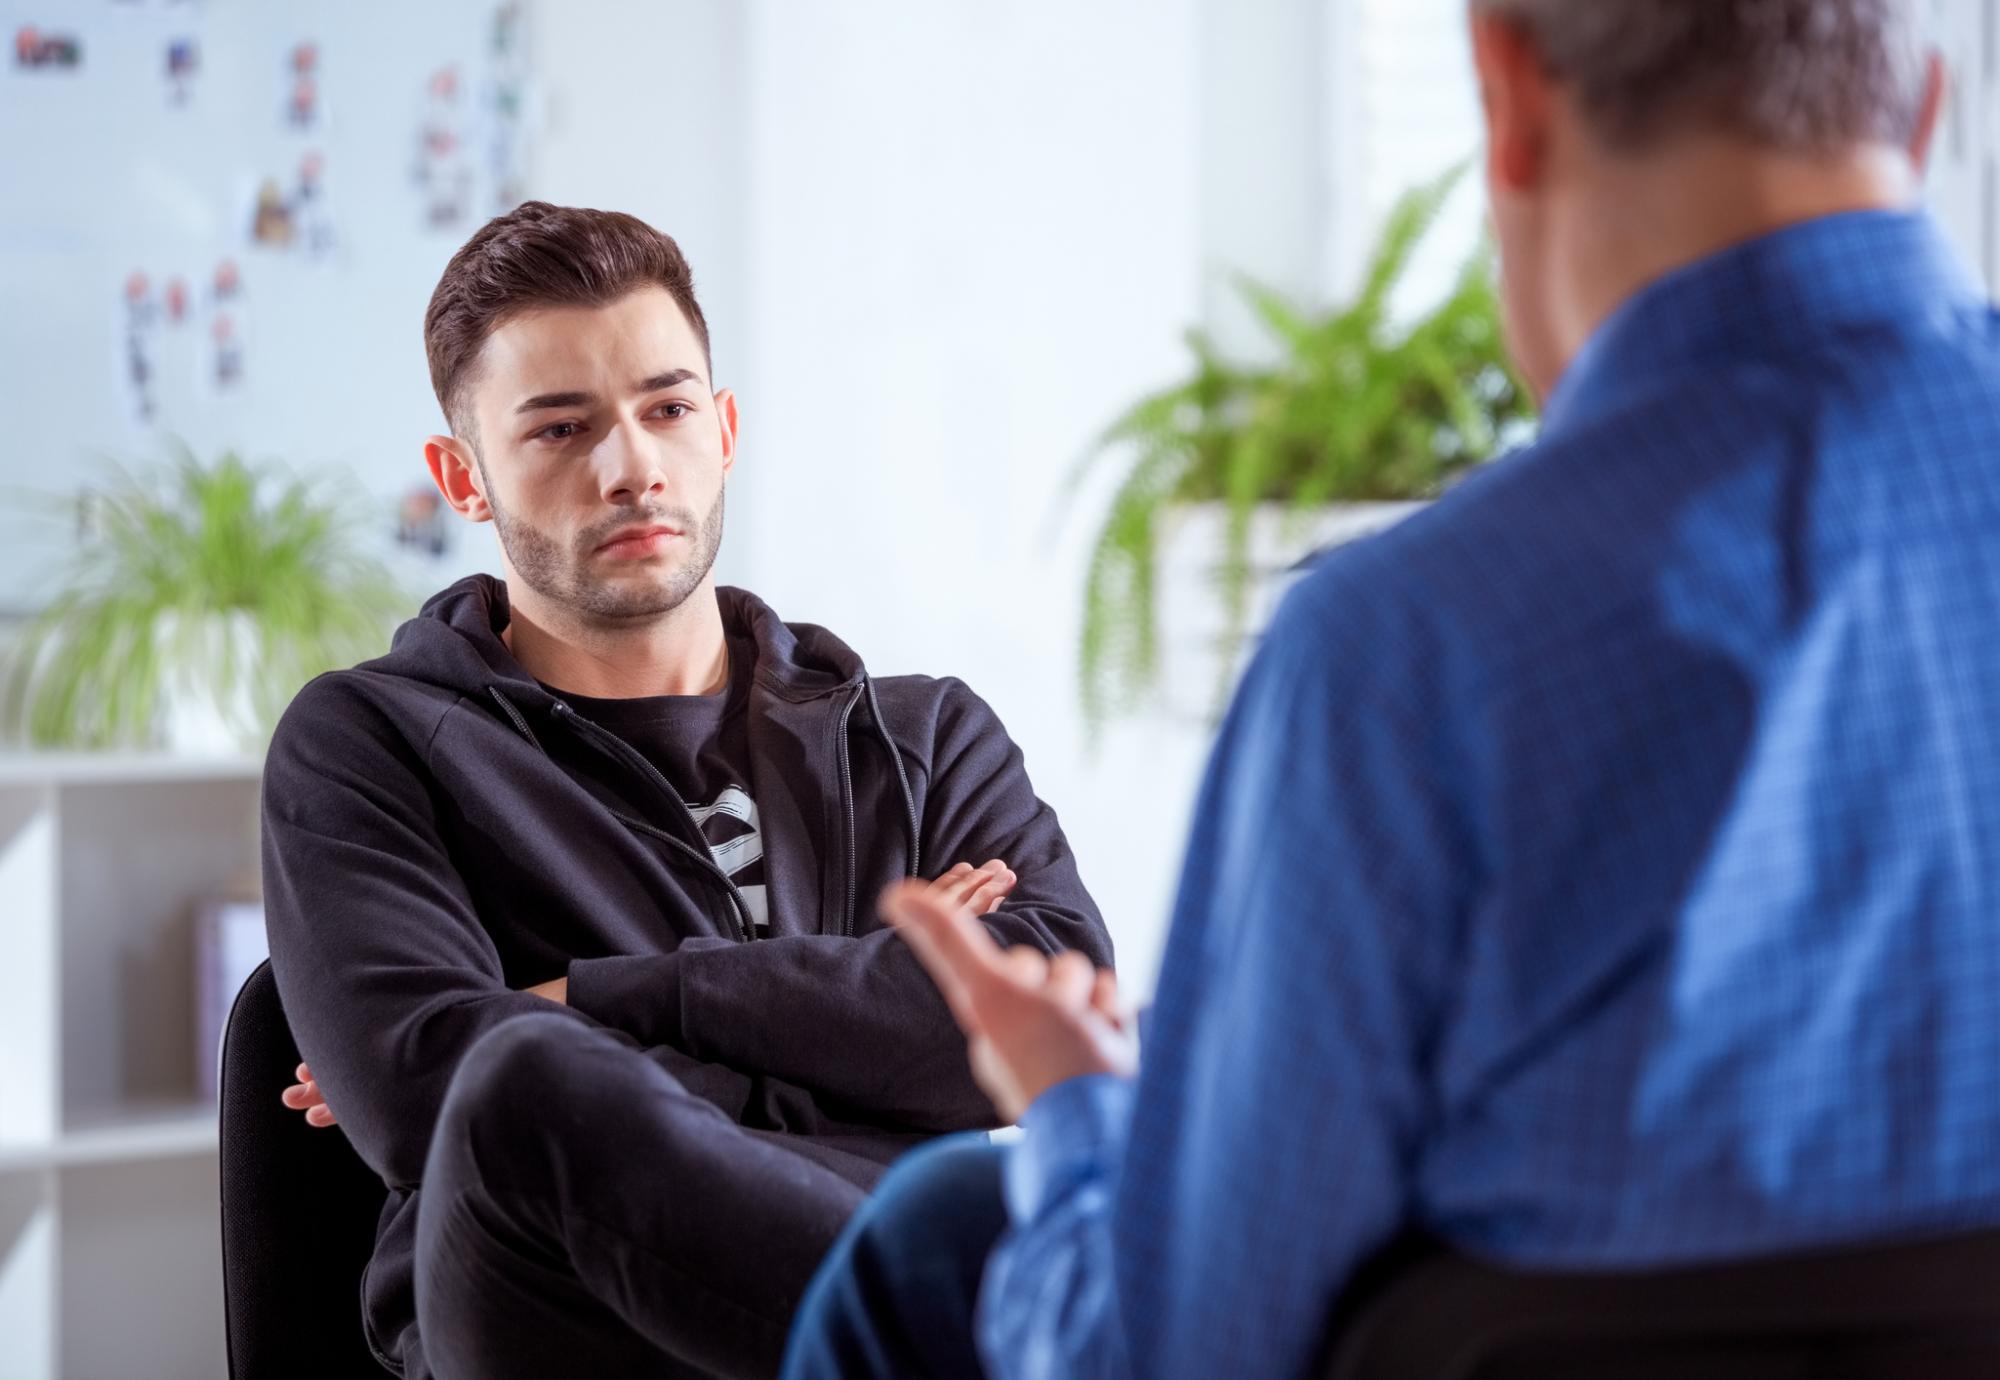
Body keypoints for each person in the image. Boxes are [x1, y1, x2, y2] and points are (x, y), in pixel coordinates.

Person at [779, 2, 2000, 1377]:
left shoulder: (1407, 648)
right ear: (1922, 109)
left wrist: (1066, 1109)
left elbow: (1175, 1356)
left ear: (1509, 87)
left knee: (939, 1234)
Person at [259, 201, 1114, 1380]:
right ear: (463, 477)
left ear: (721, 429)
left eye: (664, 410)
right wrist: (863, 1013)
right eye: (559, 431)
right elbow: (418, 1094)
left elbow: (1057, 1003)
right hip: (576, 1329)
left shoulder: (921, 734)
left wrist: (600, 996)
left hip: (899, 1261)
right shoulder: (368, 739)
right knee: (521, 1086)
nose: (629, 469)